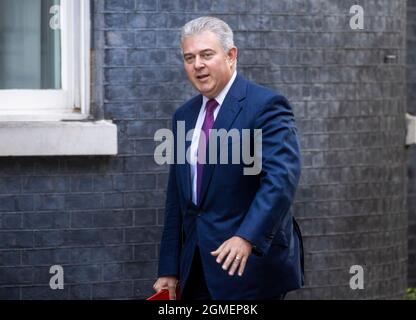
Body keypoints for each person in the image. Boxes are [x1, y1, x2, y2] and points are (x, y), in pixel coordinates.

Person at [153, 16, 304, 300]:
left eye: (206, 55)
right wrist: (169, 268)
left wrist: (247, 236)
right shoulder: (183, 117)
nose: (197, 64)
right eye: (189, 57)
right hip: (195, 270)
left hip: (248, 269)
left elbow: (280, 179)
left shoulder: (266, 106)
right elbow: (177, 198)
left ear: (231, 55)